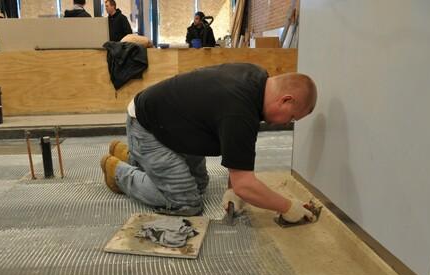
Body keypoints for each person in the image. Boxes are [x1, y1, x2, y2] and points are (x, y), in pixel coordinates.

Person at [100, 63, 318, 223]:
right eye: (291, 118)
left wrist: (234, 188)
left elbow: (238, 152)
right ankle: (118, 172)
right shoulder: (240, 110)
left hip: (171, 123)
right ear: (286, 100)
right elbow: (245, 184)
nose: (287, 123)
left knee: (200, 185)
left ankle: (131, 154)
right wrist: (288, 207)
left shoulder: (257, 78)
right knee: (186, 202)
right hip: (147, 127)